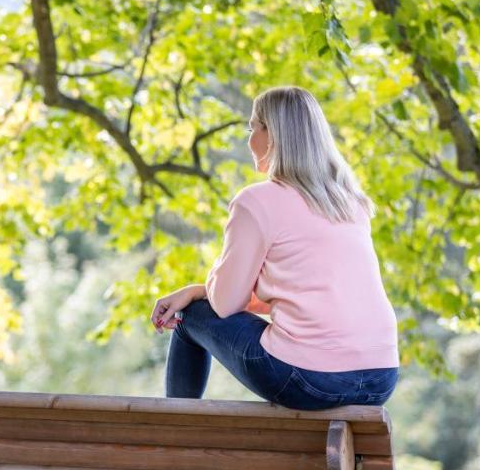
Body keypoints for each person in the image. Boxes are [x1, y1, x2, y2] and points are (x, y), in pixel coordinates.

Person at [149, 85, 399, 410]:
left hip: (311, 379)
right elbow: (314, 298)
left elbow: (225, 305)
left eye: (253, 128)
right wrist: (198, 288)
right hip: (381, 378)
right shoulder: (350, 202)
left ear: (273, 134)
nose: (249, 139)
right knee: (198, 304)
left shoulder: (257, 201)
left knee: (190, 316)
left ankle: (173, 433)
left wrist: (197, 296)